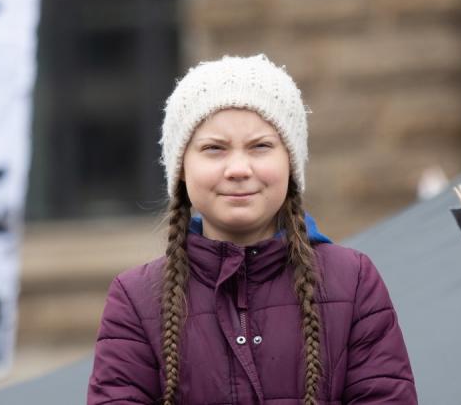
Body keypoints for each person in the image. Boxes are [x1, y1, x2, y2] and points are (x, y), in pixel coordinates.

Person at [87, 55, 416, 404]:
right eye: (214, 149)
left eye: (260, 147)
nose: (239, 169)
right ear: (181, 167)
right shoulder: (136, 297)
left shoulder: (353, 281)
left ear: (290, 162)